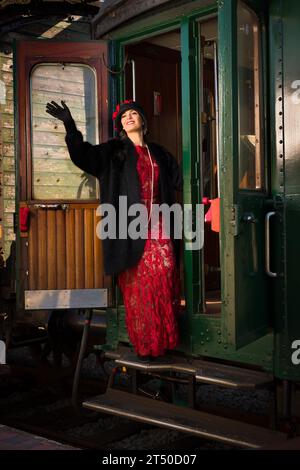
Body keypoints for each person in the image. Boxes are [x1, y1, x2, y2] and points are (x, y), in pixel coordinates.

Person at [45, 99, 183, 359]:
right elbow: (83, 156)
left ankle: (164, 342)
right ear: (120, 126)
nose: (128, 118)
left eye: (133, 113)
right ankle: (147, 346)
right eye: (123, 117)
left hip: (159, 223)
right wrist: (69, 124)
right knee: (141, 286)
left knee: (164, 274)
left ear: (143, 120)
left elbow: (181, 177)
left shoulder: (160, 154)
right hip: (129, 228)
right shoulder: (115, 151)